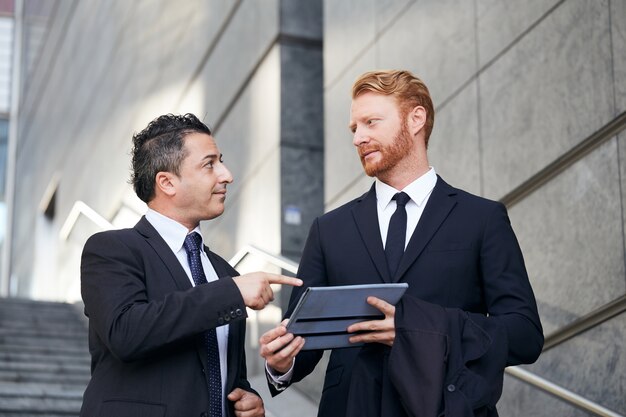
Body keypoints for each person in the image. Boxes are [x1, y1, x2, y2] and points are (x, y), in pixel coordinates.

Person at [259, 70, 544, 417]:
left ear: (416, 119)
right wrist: (281, 362)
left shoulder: (481, 219)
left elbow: (524, 335)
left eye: (371, 122)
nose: (358, 138)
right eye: (354, 128)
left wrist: (419, 330)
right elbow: (301, 339)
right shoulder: (328, 229)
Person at [80, 113, 302, 417]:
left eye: (220, 161)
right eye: (209, 164)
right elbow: (126, 333)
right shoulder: (111, 249)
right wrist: (230, 292)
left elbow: (219, 373)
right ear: (167, 182)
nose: (226, 175)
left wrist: (248, 400)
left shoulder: (224, 272)